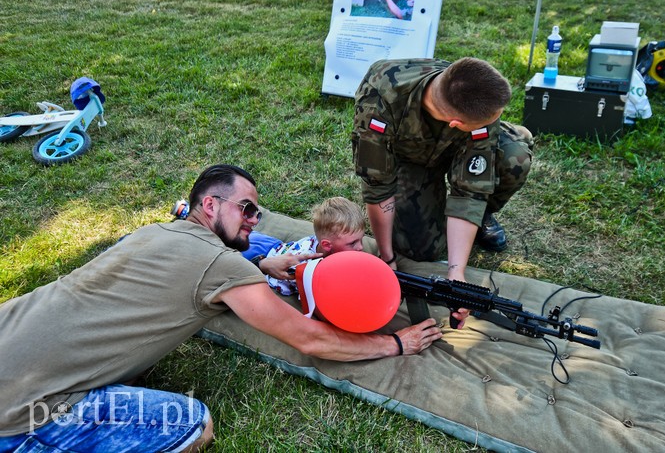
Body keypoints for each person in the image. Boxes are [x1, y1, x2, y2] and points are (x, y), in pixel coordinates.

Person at [0, 165, 442, 451]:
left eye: (257, 212)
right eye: (246, 209)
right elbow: (307, 337)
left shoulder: (152, 232)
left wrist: (259, 259)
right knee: (191, 425)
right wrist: (393, 344)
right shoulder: (223, 265)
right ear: (210, 204)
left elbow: (199, 266)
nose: (254, 219)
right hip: (25, 413)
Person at [352, 57, 534, 285]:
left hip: (461, 147)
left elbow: (470, 190)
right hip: (410, 158)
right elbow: (377, 186)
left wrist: (456, 273)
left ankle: (482, 215)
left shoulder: (469, 100)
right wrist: (387, 258)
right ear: (456, 123)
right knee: (420, 249)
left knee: (513, 158)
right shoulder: (378, 100)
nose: (494, 121)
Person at [246, 196, 366, 296]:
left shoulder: (330, 243)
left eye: (361, 240)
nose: (360, 247)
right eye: (352, 243)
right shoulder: (307, 267)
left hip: (273, 244)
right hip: (258, 256)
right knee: (232, 241)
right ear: (327, 245)